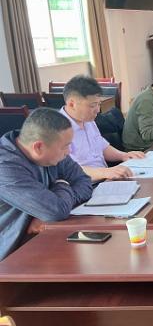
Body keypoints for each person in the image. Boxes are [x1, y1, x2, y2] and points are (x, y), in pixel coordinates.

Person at [0, 108, 92, 261]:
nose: (68, 152)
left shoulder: (52, 152)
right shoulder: (5, 167)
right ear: (38, 147)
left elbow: (84, 181)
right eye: (65, 146)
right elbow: (56, 211)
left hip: (44, 236)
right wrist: (62, 184)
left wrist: (58, 204)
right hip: (11, 255)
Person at [60, 75, 145, 181]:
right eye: (92, 105)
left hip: (105, 179)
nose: (97, 110)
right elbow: (68, 170)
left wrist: (123, 155)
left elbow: (102, 146)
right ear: (72, 104)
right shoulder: (57, 130)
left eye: (98, 104)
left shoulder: (88, 120)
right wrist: (105, 172)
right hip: (85, 185)